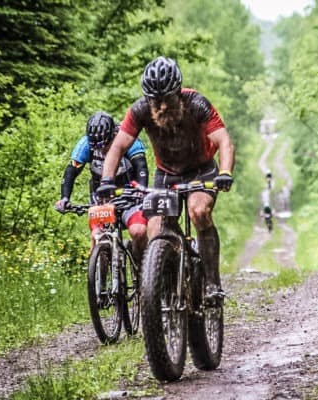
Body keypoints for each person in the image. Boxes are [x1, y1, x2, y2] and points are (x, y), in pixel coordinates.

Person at [97, 56, 235, 301]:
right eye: (155, 100)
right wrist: (107, 179)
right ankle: (164, 284)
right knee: (154, 230)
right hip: (166, 175)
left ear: (178, 93)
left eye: (167, 99)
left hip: (200, 171)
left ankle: (212, 283)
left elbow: (223, 141)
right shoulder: (140, 109)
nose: (161, 106)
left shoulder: (197, 103)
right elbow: (118, 146)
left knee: (198, 211)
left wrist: (225, 172)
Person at [55, 111, 149, 264]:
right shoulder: (85, 144)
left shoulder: (127, 139)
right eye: (97, 145)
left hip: (130, 195)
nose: (102, 149)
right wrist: (65, 198)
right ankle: (100, 280)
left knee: (138, 231)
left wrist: (141, 190)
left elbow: (141, 167)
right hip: (102, 198)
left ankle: (143, 270)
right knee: (97, 237)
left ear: (113, 134)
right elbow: (70, 172)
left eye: (105, 144)